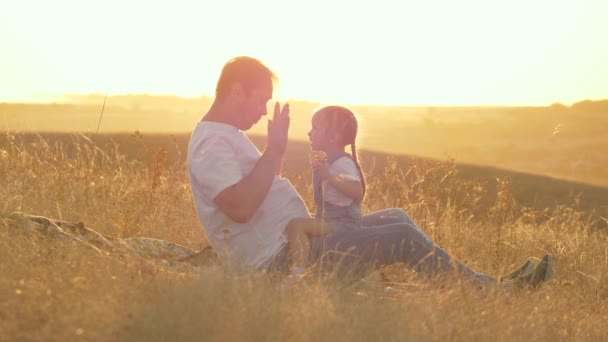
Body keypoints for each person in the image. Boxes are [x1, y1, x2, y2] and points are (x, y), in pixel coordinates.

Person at [187, 56, 553, 289]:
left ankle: (483, 284)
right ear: (237, 91)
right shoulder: (212, 145)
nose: (264, 108)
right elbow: (239, 207)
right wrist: (275, 150)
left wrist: (276, 152)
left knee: (397, 218)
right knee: (401, 237)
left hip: (300, 244)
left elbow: (256, 192)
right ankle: (494, 291)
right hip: (281, 264)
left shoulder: (227, 137)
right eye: (261, 98)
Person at [285, 106, 366, 278]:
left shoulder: (342, 163)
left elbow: (356, 191)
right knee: (298, 224)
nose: (309, 133)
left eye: (315, 128)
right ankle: (304, 265)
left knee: (296, 225)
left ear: (333, 137)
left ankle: (299, 271)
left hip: (343, 224)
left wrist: (328, 175)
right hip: (333, 220)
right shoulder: (331, 161)